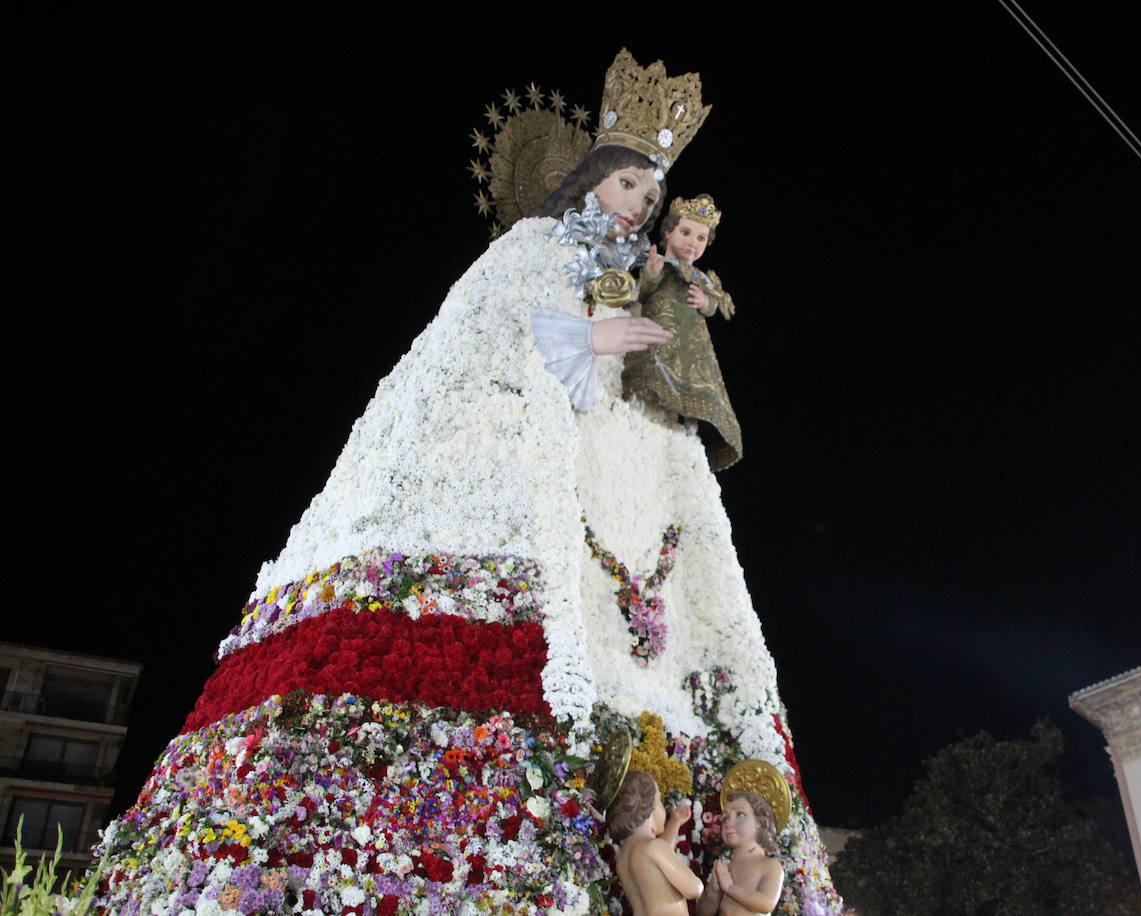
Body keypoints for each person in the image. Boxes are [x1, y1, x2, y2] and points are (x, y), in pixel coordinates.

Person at [94, 50, 843, 915]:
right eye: (631, 185)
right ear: (593, 177)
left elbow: (664, 344)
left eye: (651, 193)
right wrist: (590, 341)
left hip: (625, 490)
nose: (641, 206)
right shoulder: (535, 244)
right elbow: (502, 323)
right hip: (510, 472)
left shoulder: (639, 274)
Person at [622, 194, 742, 470]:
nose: (692, 243)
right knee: (656, 372)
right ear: (668, 232)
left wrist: (706, 302)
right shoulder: (657, 264)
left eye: (701, 238)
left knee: (694, 380)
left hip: (691, 340)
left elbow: (714, 305)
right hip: (660, 330)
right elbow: (642, 293)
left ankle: (687, 425)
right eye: (686, 233)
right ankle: (649, 414)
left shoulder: (700, 278)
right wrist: (651, 274)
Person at [608, 771, 703, 915]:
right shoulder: (653, 847)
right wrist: (699, 884)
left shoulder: (622, 860)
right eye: (659, 800)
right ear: (649, 807)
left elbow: (658, 867)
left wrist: (675, 823)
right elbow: (693, 889)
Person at [698, 791, 785, 916]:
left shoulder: (770, 865)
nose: (728, 823)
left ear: (759, 822)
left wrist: (730, 889)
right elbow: (703, 913)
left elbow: (767, 903)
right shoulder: (726, 868)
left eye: (740, 814)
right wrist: (713, 891)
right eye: (726, 818)